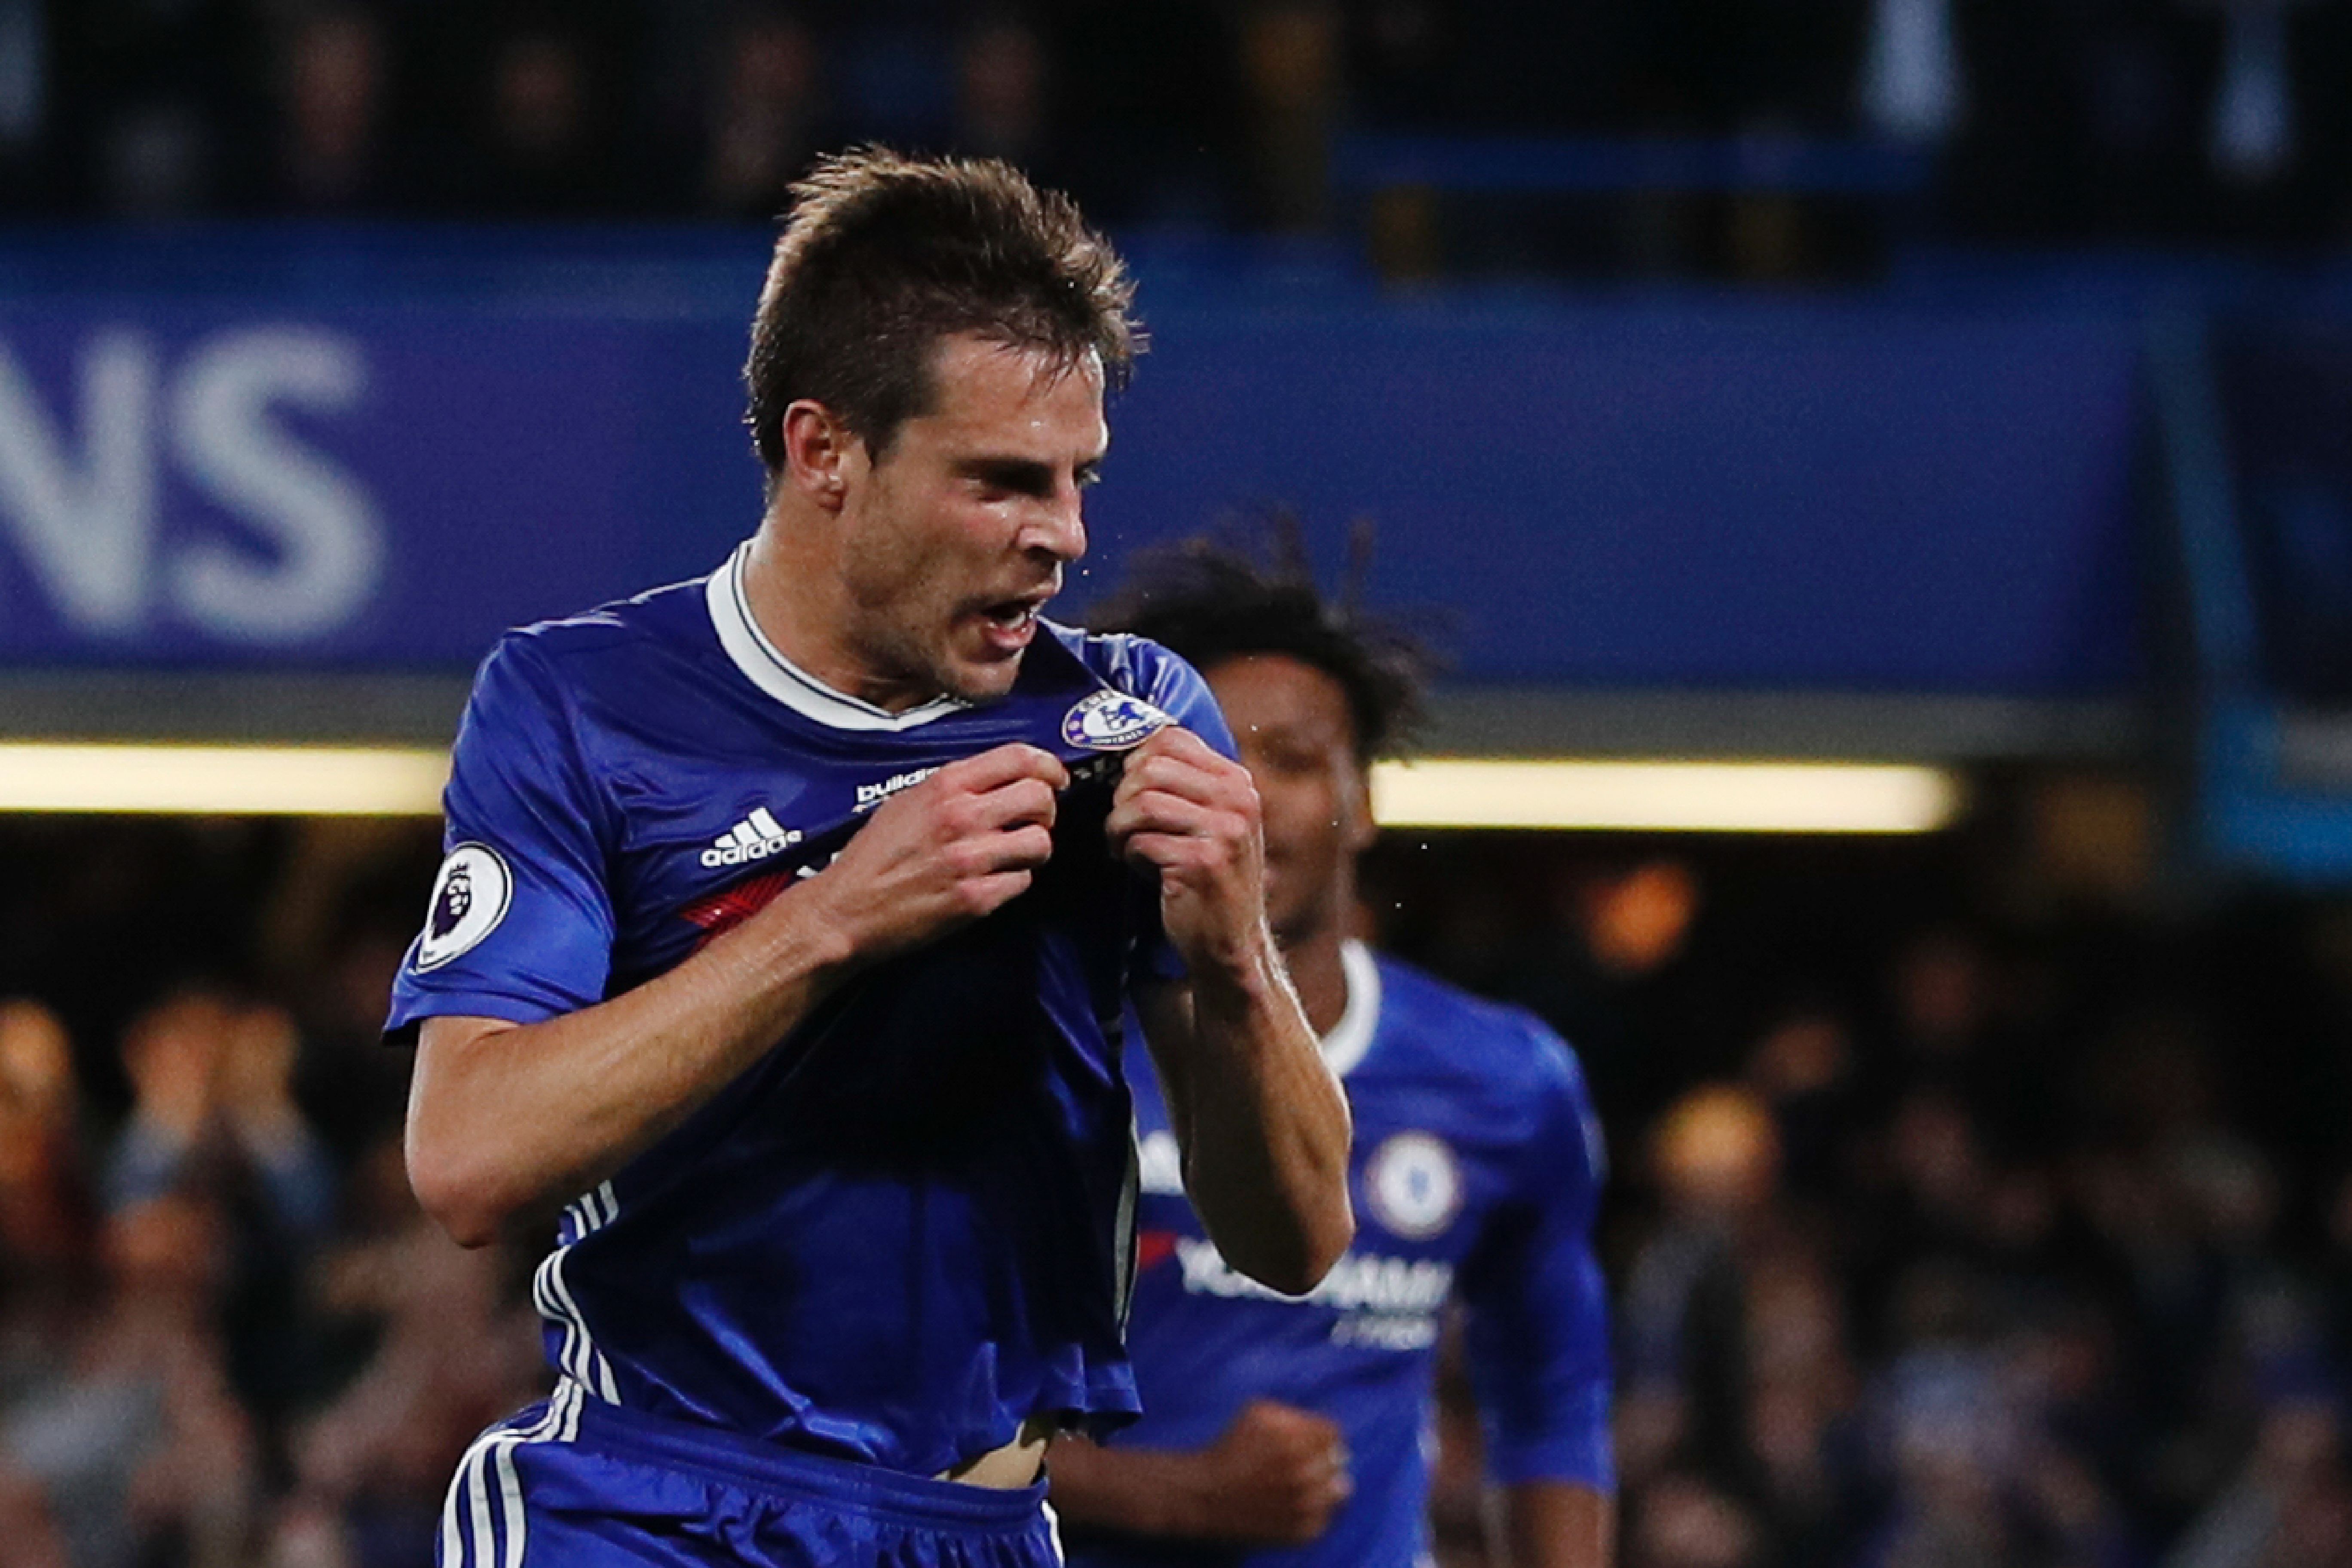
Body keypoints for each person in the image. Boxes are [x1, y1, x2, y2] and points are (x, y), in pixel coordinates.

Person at [386, 150, 1354, 1568]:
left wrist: (1236, 959)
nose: (1065, 539)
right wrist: (830, 918)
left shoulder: (1128, 721)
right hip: (648, 1506)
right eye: (1002, 482)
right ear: (824, 450)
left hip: (982, 1522)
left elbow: (1296, 1239)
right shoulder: (580, 704)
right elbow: (467, 1157)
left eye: (1080, 481)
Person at [1051, 536, 1614, 1568]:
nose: (1249, 800)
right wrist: (1180, 1497)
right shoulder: (1053, 1048)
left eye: (1296, 760)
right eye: (1212, 756)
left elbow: (1553, 1404)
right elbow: (905, 1410)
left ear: (1364, 806)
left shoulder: (1506, 1084)